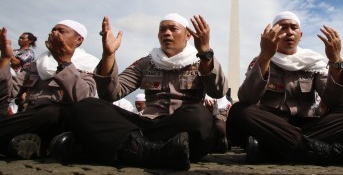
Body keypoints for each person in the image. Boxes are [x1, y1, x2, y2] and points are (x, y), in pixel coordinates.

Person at [50, 14, 228, 171]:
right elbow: (110, 94)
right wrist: (108, 55)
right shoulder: (146, 63)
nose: (167, 33)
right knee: (86, 106)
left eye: (173, 29)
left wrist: (205, 52)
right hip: (145, 128)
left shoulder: (201, 60)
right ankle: (151, 152)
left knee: (199, 115)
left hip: (180, 129)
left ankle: (107, 148)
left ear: (188, 35)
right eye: (162, 30)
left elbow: (218, 91)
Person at [226, 11, 343, 166]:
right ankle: (328, 151)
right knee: (240, 110)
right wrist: (265, 57)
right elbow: (248, 97)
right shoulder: (261, 60)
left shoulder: (314, 62)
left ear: (300, 35)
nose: (289, 32)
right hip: (270, 126)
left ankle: (271, 151)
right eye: (282, 27)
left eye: (293, 28)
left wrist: (336, 62)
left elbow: (334, 101)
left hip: (308, 126)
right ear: (272, 34)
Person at [0, 20, 98, 159]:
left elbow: (83, 98)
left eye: (61, 31)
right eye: (53, 30)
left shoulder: (88, 63)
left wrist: (64, 63)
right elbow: (6, 94)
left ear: (78, 40)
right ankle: (22, 144)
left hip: (61, 121)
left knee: (50, 113)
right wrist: (5, 58)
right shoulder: (38, 64)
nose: (54, 33)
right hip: (30, 119)